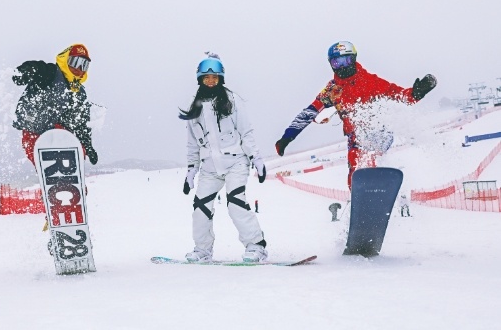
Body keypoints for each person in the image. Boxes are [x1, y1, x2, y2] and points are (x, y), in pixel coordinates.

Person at [275, 41, 436, 190]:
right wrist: (287, 137)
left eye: (346, 61)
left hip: (379, 131)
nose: (342, 66)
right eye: (336, 62)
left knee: (363, 155)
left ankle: (373, 183)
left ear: (354, 59)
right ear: (331, 65)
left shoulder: (371, 82)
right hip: (355, 137)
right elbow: (309, 112)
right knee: (354, 168)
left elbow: (400, 96)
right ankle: (360, 197)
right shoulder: (333, 90)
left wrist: (417, 92)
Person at [179, 52, 268, 262]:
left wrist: (256, 158)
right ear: (200, 79)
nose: (211, 81)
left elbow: (246, 132)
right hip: (210, 168)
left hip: (235, 162)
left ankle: (256, 246)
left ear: (221, 79)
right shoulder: (195, 107)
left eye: (215, 78)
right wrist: (191, 171)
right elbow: (192, 143)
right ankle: (202, 250)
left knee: (236, 202)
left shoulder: (232, 101)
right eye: (207, 78)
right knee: (200, 208)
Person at [12, 43, 98, 167]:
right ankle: (51, 174)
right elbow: (39, 68)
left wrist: (88, 147)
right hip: (34, 131)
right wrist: (26, 71)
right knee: (47, 161)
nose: (78, 68)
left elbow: (81, 122)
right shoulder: (50, 74)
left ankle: (71, 182)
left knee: (79, 150)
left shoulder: (79, 92)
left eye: (84, 65)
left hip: (58, 131)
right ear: (65, 60)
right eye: (75, 62)